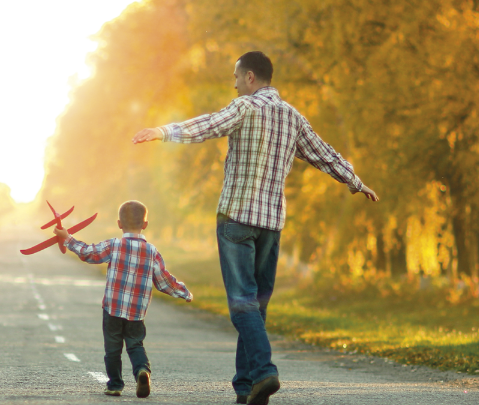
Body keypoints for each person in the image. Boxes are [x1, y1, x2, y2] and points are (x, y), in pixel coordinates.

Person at [132, 51, 379, 404]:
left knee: (243, 305)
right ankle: (247, 387)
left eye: (236, 77)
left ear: (250, 77)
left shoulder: (245, 107)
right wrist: (355, 181)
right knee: (257, 307)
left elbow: (208, 125)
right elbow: (325, 154)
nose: (233, 84)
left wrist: (162, 131)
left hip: (236, 220)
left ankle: (263, 372)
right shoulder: (293, 117)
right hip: (271, 226)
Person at [53, 200, 193, 398]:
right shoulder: (152, 251)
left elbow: (88, 253)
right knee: (135, 345)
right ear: (145, 225)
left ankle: (115, 385)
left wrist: (67, 238)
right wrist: (184, 293)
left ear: (119, 224)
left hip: (113, 309)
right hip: (137, 312)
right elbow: (164, 281)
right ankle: (142, 371)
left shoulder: (114, 245)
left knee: (112, 348)